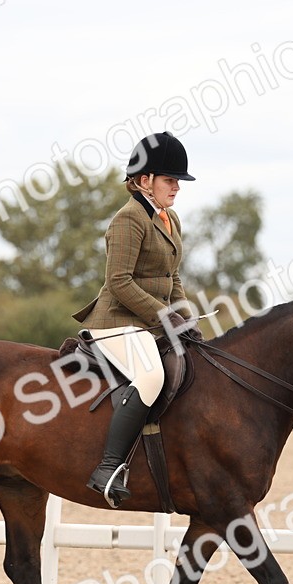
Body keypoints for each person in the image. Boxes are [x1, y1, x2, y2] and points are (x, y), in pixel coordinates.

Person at [72, 131, 199, 507]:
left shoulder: (169, 218)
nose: (177, 188)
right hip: (116, 322)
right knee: (150, 375)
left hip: (148, 322)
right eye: (170, 180)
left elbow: (171, 277)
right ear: (144, 180)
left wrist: (187, 318)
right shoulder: (128, 220)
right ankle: (108, 467)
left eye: (178, 181)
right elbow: (119, 282)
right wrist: (164, 317)